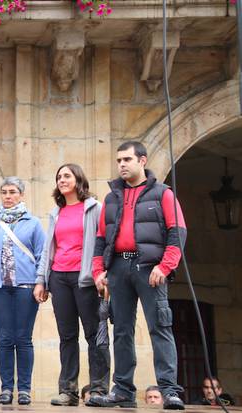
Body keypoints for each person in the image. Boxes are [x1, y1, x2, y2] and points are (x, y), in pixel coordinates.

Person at [87, 141, 186, 410]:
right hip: (118, 269)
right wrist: (98, 271)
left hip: (151, 270)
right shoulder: (111, 198)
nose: (122, 165)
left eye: (127, 159)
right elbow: (100, 239)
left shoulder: (163, 193)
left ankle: (169, 391)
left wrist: (165, 267)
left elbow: (178, 233)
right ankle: (122, 391)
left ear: (142, 161)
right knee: (121, 331)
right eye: (119, 160)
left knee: (160, 328)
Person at [35, 164, 110, 406]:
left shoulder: (95, 208)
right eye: (58, 177)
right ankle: (68, 390)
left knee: (93, 335)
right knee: (67, 336)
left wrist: (102, 273)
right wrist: (41, 280)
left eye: (66, 175)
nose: (61, 180)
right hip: (59, 277)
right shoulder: (55, 212)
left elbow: (105, 242)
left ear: (78, 179)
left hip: (86, 278)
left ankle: (98, 388)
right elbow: (48, 248)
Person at [0, 177, 46, 406]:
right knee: (4, 339)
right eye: (4, 192)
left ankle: (24, 389)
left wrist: (41, 283)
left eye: (12, 192)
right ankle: (6, 388)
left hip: (25, 287)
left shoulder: (33, 223)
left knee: (23, 339)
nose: (8, 196)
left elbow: (43, 255)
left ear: (21, 195)